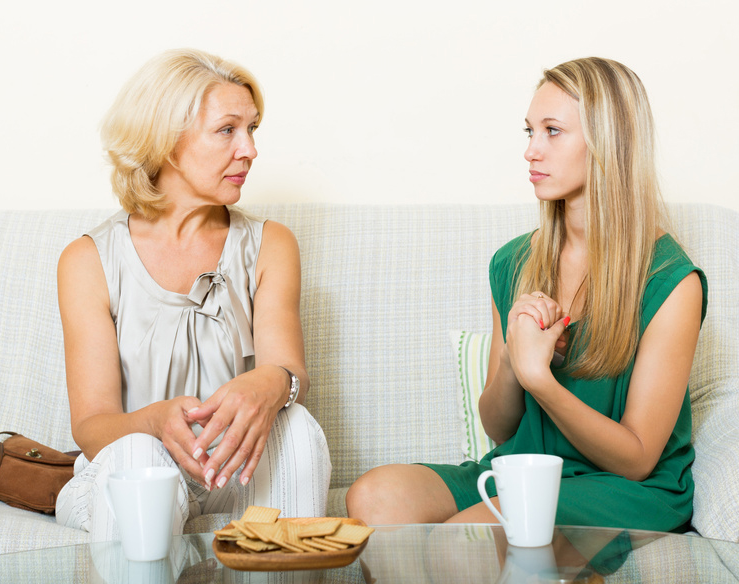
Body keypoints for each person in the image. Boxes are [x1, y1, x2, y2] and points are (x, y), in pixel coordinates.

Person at [346, 57, 706, 533]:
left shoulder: (671, 281)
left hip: (626, 488)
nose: (531, 151)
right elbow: (500, 427)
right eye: (529, 131)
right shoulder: (514, 262)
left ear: (608, 143)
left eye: (553, 131)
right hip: (527, 466)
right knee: (372, 496)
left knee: (473, 532)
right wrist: (516, 365)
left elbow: (637, 458)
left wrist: (542, 380)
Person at [55, 48, 331, 541]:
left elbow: (291, 371)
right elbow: (92, 427)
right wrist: (157, 422)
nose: (249, 149)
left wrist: (273, 381)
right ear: (165, 142)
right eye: (228, 130)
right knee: (140, 455)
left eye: (252, 129)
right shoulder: (87, 260)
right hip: (128, 471)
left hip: (231, 470)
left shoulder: (271, 244)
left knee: (299, 429)